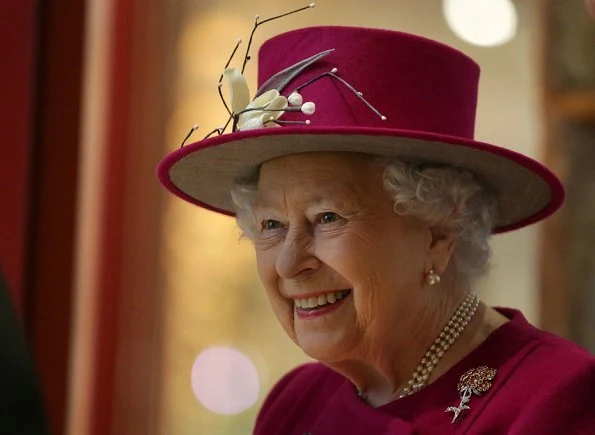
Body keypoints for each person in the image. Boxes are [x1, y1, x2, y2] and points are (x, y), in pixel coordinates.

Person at [158, 12, 595, 435]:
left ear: (440, 230)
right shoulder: (295, 403)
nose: (290, 263)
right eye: (271, 224)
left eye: (327, 217)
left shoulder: (554, 398)